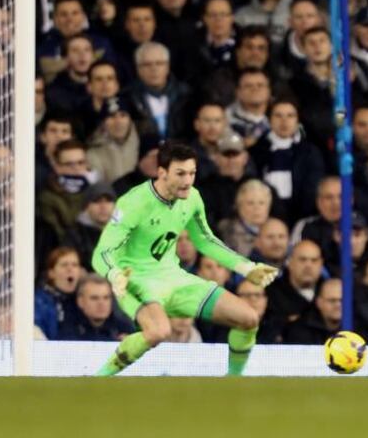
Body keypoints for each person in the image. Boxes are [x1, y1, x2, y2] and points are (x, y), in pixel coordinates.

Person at [91, 142, 280, 376]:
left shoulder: (191, 198)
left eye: (192, 173)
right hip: (137, 281)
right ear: (162, 172)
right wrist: (114, 274)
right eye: (180, 173)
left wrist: (246, 267)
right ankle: (97, 379)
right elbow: (102, 252)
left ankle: (234, 383)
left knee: (249, 318)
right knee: (158, 332)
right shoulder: (133, 203)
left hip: (175, 278)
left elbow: (205, 240)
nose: (188, 180)